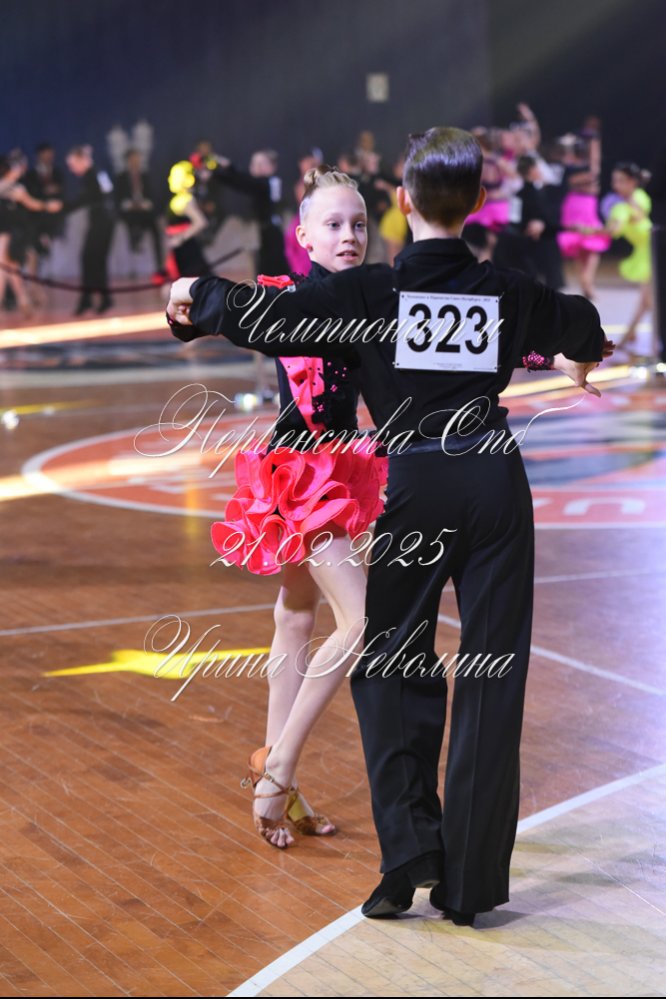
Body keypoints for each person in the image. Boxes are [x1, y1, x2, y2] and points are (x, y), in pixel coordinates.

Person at [167, 127, 610, 926]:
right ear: (478, 202)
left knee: (391, 664)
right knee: (494, 674)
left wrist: (195, 296)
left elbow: (268, 315)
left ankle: (408, 857)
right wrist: (583, 352)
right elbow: (578, 322)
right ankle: (471, 885)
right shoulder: (508, 290)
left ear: (402, 202)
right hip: (495, 482)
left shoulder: (371, 292)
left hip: (416, 487)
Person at [209, 166, 388, 849]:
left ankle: (274, 769)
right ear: (304, 235)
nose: (349, 236)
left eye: (359, 224)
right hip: (300, 476)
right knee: (362, 620)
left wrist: (545, 352)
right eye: (334, 224)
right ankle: (278, 770)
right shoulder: (286, 297)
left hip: (339, 468)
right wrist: (184, 300)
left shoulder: (374, 300)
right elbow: (221, 312)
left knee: (295, 616)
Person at [605, 162, 653, 354]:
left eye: (621, 181)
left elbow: (640, 213)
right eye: (614, 181)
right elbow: (615, 227)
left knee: (648, 300)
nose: (616, 185)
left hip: (655, 250)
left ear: (633, 182)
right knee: (647, 300)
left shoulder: (639, 197)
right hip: (646, 252)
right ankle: (629, 335)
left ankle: (629, 336)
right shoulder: (620, 208)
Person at [64, 145, 116, 315]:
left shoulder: (93, 175)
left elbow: (86, 198)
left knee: (90, 258)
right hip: (103, 221)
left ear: (82, 160)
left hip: (102, 222)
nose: (72, 169)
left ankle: (90, 299)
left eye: (73, 165)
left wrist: (64, 207)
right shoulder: (97, 173)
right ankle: (101, 298)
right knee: (95, 260)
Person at [114, 148, 163, 275]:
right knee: (132, 222)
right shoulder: (121, 178)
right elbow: (117, 199)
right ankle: (135, 243)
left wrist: (144, 204)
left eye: (137, 159)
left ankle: (160, 266)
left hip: (145, 212)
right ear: (127, 161)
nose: (135, 162)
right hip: (129, 213)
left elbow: (152, 196)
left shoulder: (146, 176)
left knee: (156, 229)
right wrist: (130, 205)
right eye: (132, 159)